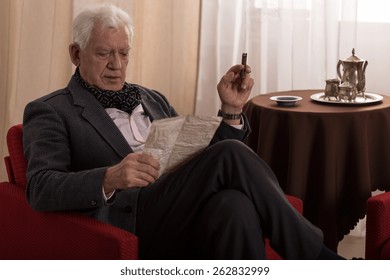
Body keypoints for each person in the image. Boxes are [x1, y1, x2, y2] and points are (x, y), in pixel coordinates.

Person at [22, 4, 343, 260]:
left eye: (124, 53)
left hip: (179, 210)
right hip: (132, 219)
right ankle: (316, 259)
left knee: (234, 205)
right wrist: (109, 177)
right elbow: (40, 187)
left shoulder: (151, 98)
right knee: (230, 154)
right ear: (76, 54)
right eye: (104, 53)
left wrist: (231, 110)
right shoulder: (51, 110)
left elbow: (202, 161)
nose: (116, 65)